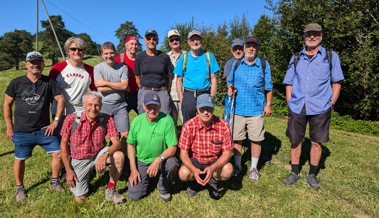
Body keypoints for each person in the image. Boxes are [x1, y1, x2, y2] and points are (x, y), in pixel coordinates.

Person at [282, 23, 344, 189]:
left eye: (315, 34)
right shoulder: (296, 58)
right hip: (297, 106)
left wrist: (331, 103)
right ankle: (294, 172)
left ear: (321, 36)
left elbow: (337, 82)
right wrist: (290, 101)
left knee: (317, 142)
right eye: (308, 34)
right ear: (303, 37)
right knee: (295, 140)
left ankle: (312, 174)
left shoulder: (330, 56)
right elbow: (289, 82)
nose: (311, 37)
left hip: (321, 107)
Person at [4, 51, 65, 202]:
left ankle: (55, 181)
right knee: (19, 158)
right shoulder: (16, 83)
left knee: (58, 153)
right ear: (26, 64)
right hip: (22, 130)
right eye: (32, 62)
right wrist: (9, 127)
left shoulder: (49, 82)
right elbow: (7, 104)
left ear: (43, 64)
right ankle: (20, 188)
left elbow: (61, 99)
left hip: (44, 130)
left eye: (39, 62)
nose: (35, 64)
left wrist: (56, 121)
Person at [60, 92, 126, 204]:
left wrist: (105, 155)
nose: (93, 108)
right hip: (80, 158)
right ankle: (87, 174)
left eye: (97, 105)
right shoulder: (72, 119)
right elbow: (63, 145)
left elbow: (117, 143)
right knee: (80, 198)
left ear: (101, 106)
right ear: (83, 105)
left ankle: (110, 189)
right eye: (90, 104)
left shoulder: (106, 119)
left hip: (99, 153)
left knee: (119, 156)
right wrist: (68, 170)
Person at [49, 36, 97, 179]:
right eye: (73, 49)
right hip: (60, 110)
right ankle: (63, 169)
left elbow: (94, 91)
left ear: (84, 51)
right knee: (61, 141)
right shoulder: (57, 68)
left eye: (80, 49)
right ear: (68, 50)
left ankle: (83, 166)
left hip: (80, 110)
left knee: (79, 140)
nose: (77, 52)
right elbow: (49, 91)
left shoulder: (89, 70)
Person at [227, 36, 273, 181]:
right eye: (249, 46)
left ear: (257, 48)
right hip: (238, 109)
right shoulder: (236, 63)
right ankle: (238, 166)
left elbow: (269, 87)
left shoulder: (264, 65)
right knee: (237, 139)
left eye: (254, 46)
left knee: (255, 140)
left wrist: (268, 105)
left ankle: (253, 168)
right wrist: (230, 89)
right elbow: (230, 82)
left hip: (255, 110)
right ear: (245, 47)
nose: (251, 48)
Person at [178, 94, 233, 200]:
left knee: (228, 170)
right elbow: (183, 154)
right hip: (196, 160)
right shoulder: (188, 126)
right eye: (202, 108)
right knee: (183, 173)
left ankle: (212, 181)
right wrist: (193, 169)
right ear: (197, 109)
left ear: (213, 108)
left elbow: (227, 153)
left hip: (214, 160)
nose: (206, 112)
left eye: (209, 108)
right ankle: (195, 182)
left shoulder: (223, 125)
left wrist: (213, 167)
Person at [127, 92, 179, 202]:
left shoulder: (167, 120)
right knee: (134, 196)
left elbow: (173, 147)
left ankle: (163, 185)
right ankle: (149, 178)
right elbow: (130, 144)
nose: (152, 110)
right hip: (142, 160)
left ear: (160, 106)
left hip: (162, 160)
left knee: (172, 164)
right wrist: (133, 169)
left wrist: (158, 160)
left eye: (155, 106)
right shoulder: (137, 121)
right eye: (149, 107)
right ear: (143, 106)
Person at [174, 30, 220, 124]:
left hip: (205, 93)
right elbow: (179, 80)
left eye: (197, 39)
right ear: (188, 42)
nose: (195, 42)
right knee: (188, 123)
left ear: (201, 40)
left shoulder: (209, 56)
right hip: (188, 94)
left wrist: (211, 96)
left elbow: (214, 78)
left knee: (206, 122)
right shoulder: (184, 57)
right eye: (192, 39)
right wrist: (182, 99)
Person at [94, 41, 129, 155]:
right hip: (103, 105)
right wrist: (119, 86)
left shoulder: (123, 67)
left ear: (116, 53)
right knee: (101, 133)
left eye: (112, 53)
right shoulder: (98, 68)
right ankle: (101, 157)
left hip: (120, 105)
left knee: (124, 133)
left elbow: (124, 85)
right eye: (106, 53)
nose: (109, 56)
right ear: (102, 55)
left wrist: (105, 82)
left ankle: (123, 159)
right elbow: (100, 89)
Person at [134, 29, 173, 115]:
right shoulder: (140, 57)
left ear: (157, 41)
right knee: (144, 117)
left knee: (164, 116)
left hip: (161, 91)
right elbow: (137, 77)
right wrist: (143, 88)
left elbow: (169, 76)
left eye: (154, 39)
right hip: (145, 91)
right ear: (145, 40)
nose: (151, 41)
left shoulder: (164, 57)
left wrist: (166, 90)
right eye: (149, 39)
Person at [115, 35, 139, 114]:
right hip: (124, 96)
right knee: (121, 121)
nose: (134, 46)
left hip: (137, 95)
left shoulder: (140, 59)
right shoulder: (119, 59)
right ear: (126, 45)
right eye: (131, 44)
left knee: (144, 118)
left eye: (136, 44)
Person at [166, 29, 184, 125]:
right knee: (171, 125)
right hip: (170, 96)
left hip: (185, 95)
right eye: (172, 40)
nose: (174, 42)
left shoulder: (188, 55)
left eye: (176, 39)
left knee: (187, 123)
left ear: (180, 40)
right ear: (169, 42)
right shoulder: (165, 57)